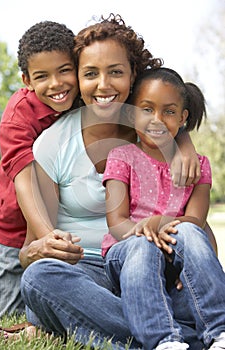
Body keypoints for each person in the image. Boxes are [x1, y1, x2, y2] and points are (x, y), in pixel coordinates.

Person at [17, 14, 218, 349]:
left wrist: (184, 140)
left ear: (133, 75)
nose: (103, 85)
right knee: (39, 278)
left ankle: (142, 332)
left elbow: (194, 224)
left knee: (181, 273)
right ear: (78, 79)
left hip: (150, 266)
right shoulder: (53, 144)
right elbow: (28, 250)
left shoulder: (157, 133)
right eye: (90, 73)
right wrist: (37, 250)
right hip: (87, 271)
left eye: (116, 72)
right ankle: (172, 335)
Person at [102, 67, 225, 349]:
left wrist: (160, 222)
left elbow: (196, 219)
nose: (156, 120)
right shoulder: (121, 156)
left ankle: (220, 332)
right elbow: (117, 224)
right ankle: (164, 341)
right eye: (147, 109)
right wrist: (148, 230)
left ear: (183, 118)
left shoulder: (199, 166)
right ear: (132, 113)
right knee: (142, 247)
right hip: (128, 254)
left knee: (192, 232)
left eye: (169, 112)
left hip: (175, 261)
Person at [0, 20, 79, 320]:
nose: (56, 84)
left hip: (67, 222)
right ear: (27, 79)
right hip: (13, 231)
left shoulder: (85, 95)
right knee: (8, 317)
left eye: (65, 70)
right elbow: (25, 181)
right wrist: (46, 236)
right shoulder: (18, 116)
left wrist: (183, 141)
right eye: (42, 76)